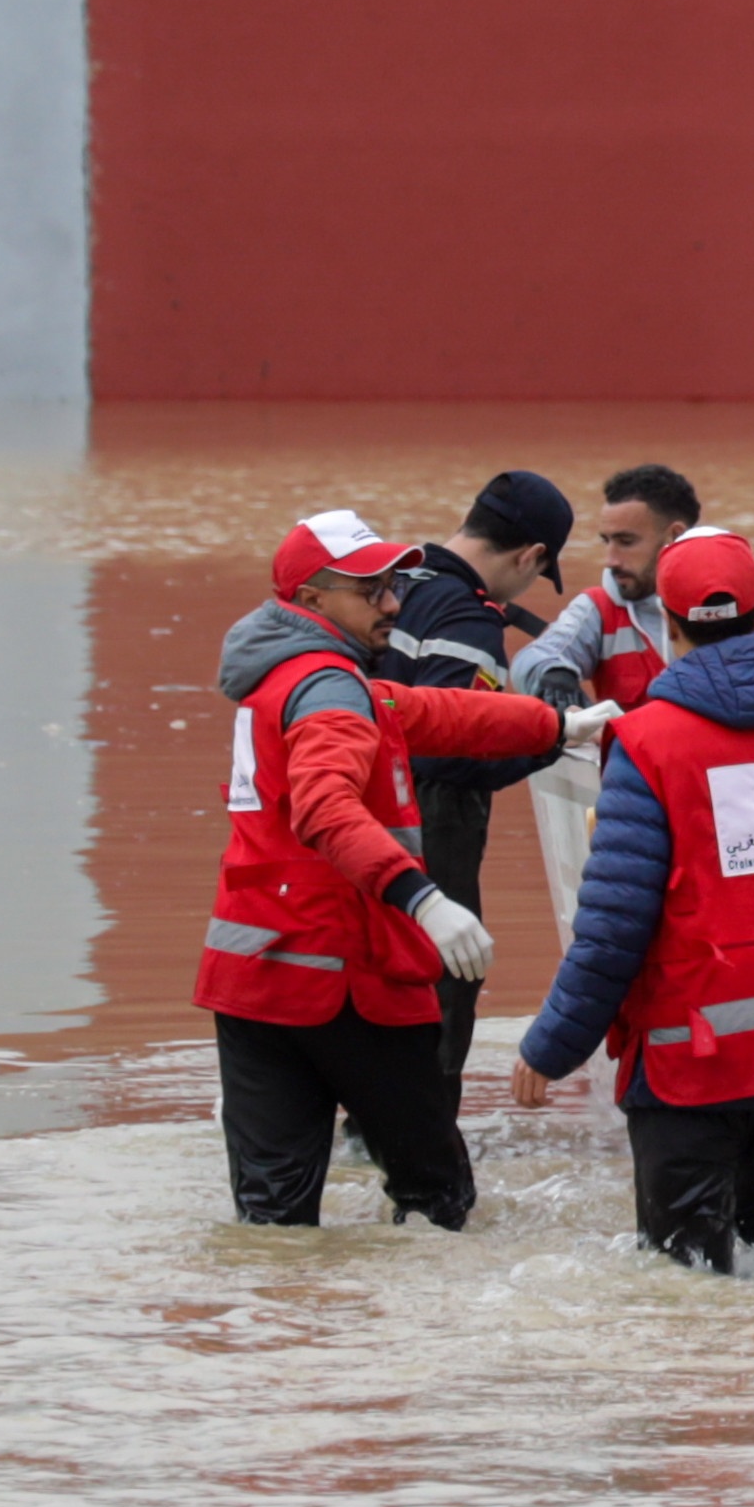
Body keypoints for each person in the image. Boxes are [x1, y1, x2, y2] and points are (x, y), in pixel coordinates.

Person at [200, 508, 611, 1229]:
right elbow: (326, 809)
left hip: (255, 984)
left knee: (271, 1218)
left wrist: (554, 725)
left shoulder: (291, 678)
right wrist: (426, 901)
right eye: (372, 592)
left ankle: (282, 1332)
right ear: (311, 601)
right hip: (346, 979)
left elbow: (430, 712)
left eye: (392, 586)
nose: (393, 604)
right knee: (436, 1199)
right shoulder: (329, 690)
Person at [512, 529, 754, 1272]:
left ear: (670, 626)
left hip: (688, 1065)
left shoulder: (649, 744)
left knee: (684, 1282)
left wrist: (551, 1046)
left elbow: (612, 930)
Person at [387, 469, 579, 1093]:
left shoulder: (389, 584)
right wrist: (552, 737)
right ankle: (422, 1163)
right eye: (535, 575)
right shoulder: (467, 619)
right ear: (532, 555)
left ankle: (359, 1147)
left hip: (351, 827)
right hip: (425, 833)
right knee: (445, 987)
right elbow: (447, 748)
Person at [517, 464, 705, 715]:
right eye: (607, 541)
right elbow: (534, 658)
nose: (611, 560)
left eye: (626, 542)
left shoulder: (733, 602)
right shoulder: (599, 608)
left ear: (674, 536)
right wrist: (554, 673)